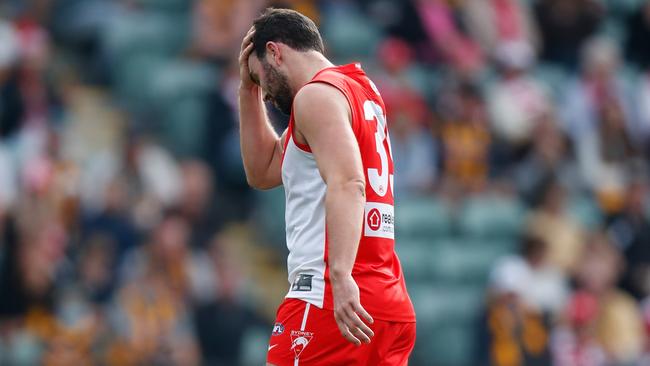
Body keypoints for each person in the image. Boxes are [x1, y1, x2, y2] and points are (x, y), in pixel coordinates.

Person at [237, 8, 416, 366]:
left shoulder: (314, 98)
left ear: (275, 52)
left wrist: (340, 275)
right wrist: (247, 90)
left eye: (262, 80)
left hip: (329, 298)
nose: (267, 94)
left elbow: (349, 183)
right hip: (387, 302)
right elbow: (264, 171)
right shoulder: (361, 91)